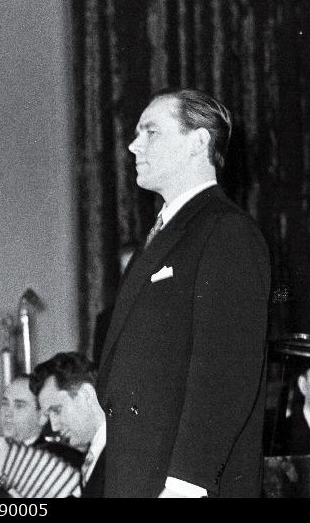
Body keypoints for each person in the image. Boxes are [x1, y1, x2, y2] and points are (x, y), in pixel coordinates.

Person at [96, 88, 271, 497]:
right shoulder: (161, 237)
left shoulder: (227, 232)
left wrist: (186, 485)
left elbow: (227, 373)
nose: (133, 144)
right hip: (138, 475)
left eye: (151, 132)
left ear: (198, 142)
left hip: (182, 485)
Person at [30, 352, 106, 497]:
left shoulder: (121, 454)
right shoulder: (94, 453)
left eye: (57, 410)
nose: (54, 427)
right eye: (49, 415)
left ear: (86, 395)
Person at [0, 375, 84, 468]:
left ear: (42, 417)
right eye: (5, 403)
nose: (7, 413)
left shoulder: (60, 459)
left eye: (19, 406)